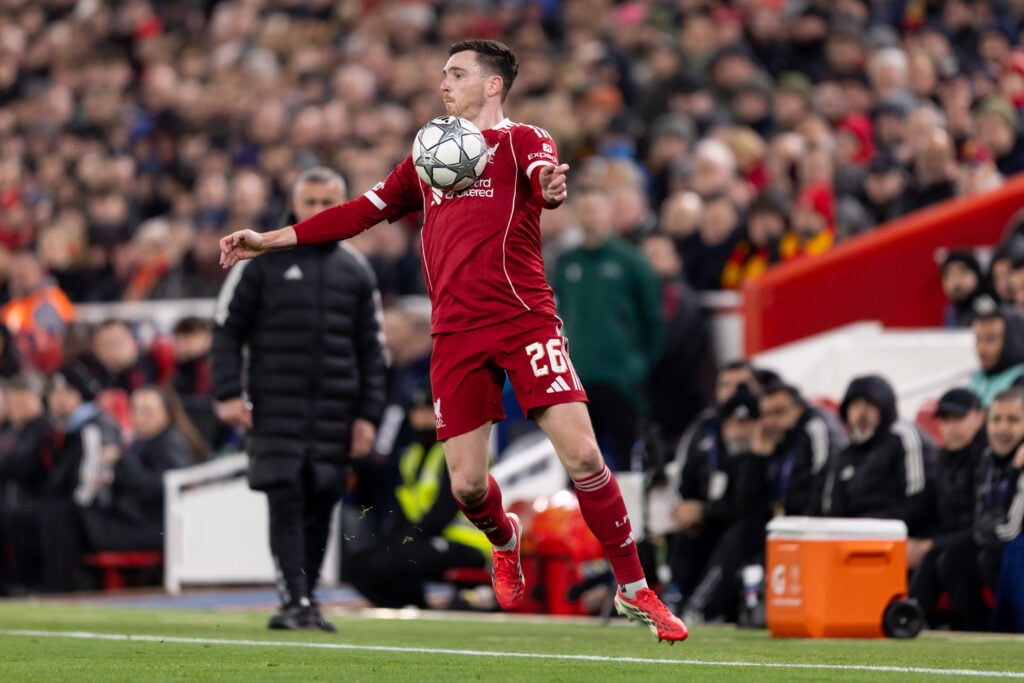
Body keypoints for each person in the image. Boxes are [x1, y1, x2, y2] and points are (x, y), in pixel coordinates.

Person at [219, 39, 688, 642]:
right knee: (466, 485)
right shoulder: (430, 154)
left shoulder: (523, 141)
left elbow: (544, 174)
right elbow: (360, 211)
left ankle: (634, 588)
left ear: (492, 85)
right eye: (444, 73)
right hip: (456, 333)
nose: (444, 83)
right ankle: (503, 538)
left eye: (457, 73)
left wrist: (549, 188)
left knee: (585, 457)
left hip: (525, 321)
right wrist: (269, 239)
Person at [213, 165, 388, 632]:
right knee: (286, 496)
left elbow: (373, 351)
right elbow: (227, 331)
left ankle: (307, 598)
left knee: (322, 501)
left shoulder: (356, 270)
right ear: (293, 205)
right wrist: (229, 393)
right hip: (276, 405)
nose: (318, 210)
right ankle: (293, 598)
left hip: (336, 409)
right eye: (310, 202)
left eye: (328, 202)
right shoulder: (262, 260)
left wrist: (368, 416)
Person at [346, 379, 490, 608]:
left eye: (429, 410)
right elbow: (403, 508)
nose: (422, 417)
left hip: (466, 543)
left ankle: (419, 609)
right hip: (427, 537)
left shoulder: (456, 452)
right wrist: (390, 540)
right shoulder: (411, 456)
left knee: (401, 557)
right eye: (417, 411)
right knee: (360, 562)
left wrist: (405, 539)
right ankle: (404, 607)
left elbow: (443, 510)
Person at [551, 182, 664, 471]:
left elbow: (654, 320)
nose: (590, 217)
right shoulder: (565, 264)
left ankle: (632, 516)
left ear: (609, 213)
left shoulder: (632, 261)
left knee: (629, 459)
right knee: (579, 461)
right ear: (576, 215)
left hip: (622, 379)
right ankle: (581, 517)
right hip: (579, 379)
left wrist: (639, 366)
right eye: (584, 210)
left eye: (595, 209)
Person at [936, 387, 1024, 631]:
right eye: (996, 419)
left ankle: (1012, 629)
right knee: (954, 559)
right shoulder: (987, 458)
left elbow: (1011, 528)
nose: (1003, 428)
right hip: (999, 536)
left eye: (1013, 420)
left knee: (993, 556)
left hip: (1012, 540)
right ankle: (976, 631)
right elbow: (983, 514)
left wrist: (1015, 472)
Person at [908, 387, 987, 626]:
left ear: (979, 416)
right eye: (945, 420)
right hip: (953, 537)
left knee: (944, 558)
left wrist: (931, 544)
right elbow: (930, 511)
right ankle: (912, 618)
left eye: (958, 418)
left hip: (982, 540)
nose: (951, 427)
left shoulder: (987, 455)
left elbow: (982, 524)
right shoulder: (943, 458)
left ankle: (911, 618)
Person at [822, 374, 935, 537]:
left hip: (898, 537)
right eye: (855, 405)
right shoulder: (844, 454)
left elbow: (919, 503)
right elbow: (831, 509)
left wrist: (866, 528)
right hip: (850, 539)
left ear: (885, 408)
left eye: (870, 405)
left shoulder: (904, 438)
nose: (861, 413)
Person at [969, 300, 1024, 405]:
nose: (981, 348)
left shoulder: (1020, 380)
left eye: (990, 339)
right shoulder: (978, 377)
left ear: (1012, 341)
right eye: (978, 339)